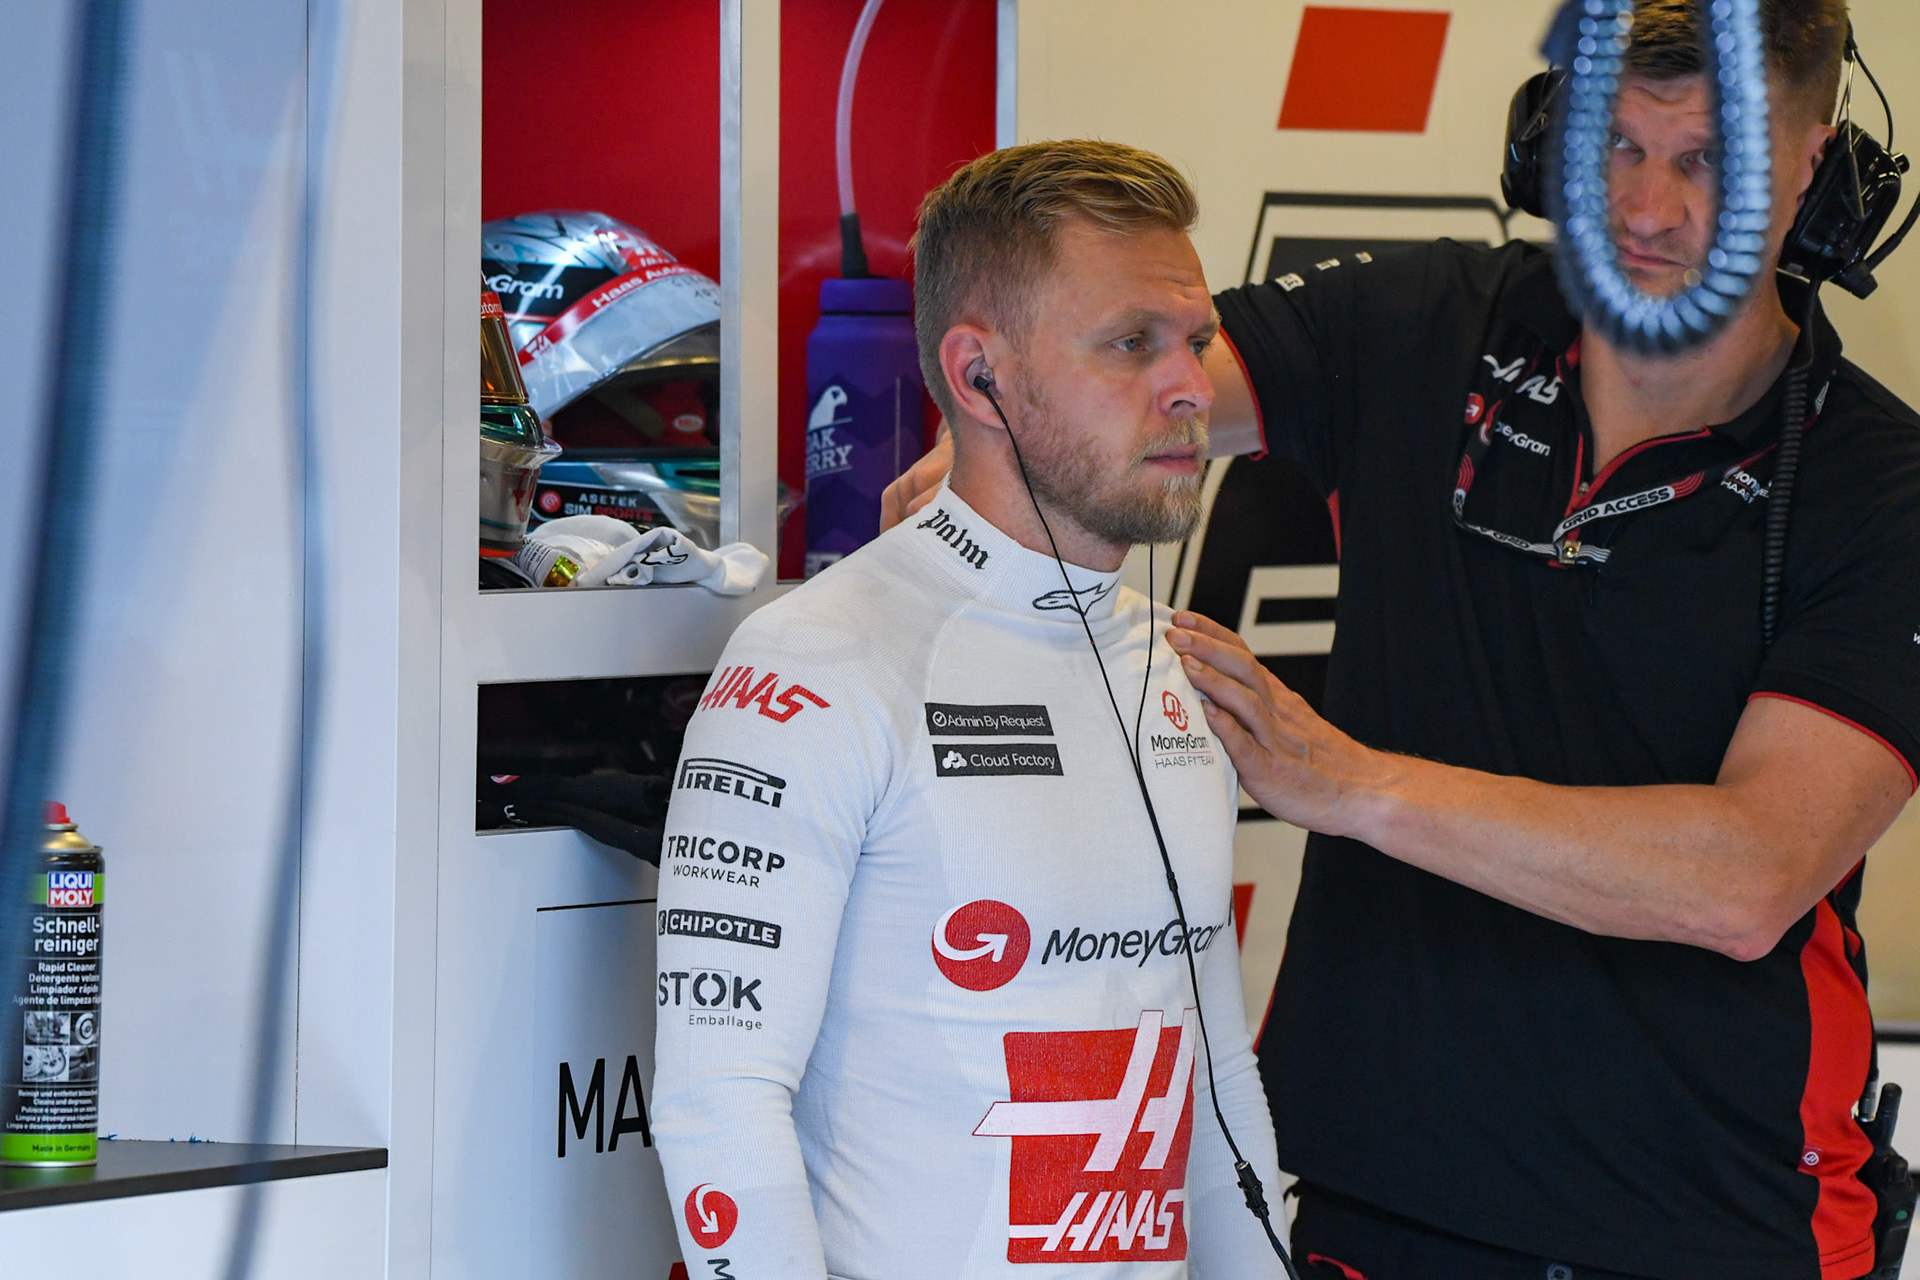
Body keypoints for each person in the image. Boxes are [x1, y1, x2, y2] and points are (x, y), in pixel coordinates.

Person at [884, 3, 1919, 1277]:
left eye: (1709, 160)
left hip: (1715, 1222)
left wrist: (1350, 781)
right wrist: (983, 437)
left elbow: (1749, 876)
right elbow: (1136, 388)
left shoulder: (1885, 486)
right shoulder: (1423, 320)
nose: (1646, 211)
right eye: (1614, 145)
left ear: (1813, 164)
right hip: (1378, 1201)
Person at [652, 139, 1285, 1279]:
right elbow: (718, 1098)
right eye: (1130, 344)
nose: (1193, 386)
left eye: (1194, 341)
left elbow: (1215, 1074)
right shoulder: (814, 663)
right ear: (979, 371)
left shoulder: (1176, 673)